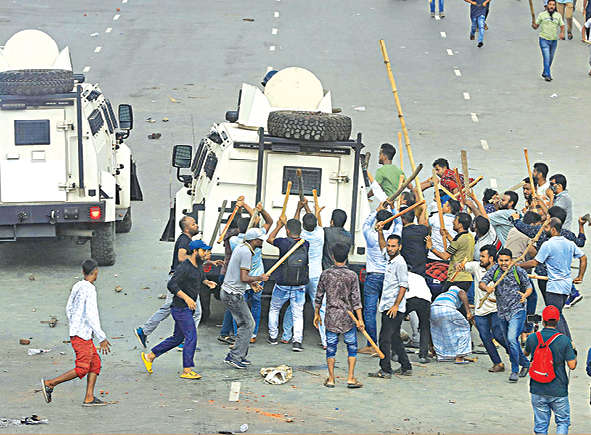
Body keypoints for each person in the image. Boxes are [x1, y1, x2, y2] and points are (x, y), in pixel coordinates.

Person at [135, 216, 215, 349]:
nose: (196, 225)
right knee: (191, 311)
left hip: (181, 280)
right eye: (193, 224)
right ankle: (185, 340)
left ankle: (146, 331)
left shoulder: (187, 240)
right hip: (180, 280)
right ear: (186, 228)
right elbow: (182, 257)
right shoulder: (184, 240)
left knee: (177, 309)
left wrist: (207, 260)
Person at [141, 240, 217, 379]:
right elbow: (172, 285)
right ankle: (187, 370)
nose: (205, 253)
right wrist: (187, 298)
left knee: (177, 338)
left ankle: (150, 356)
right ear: (195, 251)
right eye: (203, 250)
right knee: (191, 336)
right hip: (180, 309)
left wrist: (207, 282)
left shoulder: (198, 265)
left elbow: (200, 277)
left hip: (187, 309)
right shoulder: (184, 267)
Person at [41, 259, 112, 406]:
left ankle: (89, 397)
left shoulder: (77, 285)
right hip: (82, 335)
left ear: (83, 272)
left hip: (76, 332)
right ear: (96, 272)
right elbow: (92, 315)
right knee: (82, 368)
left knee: (95, 363)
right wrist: (102, 337)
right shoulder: (90, 289)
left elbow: (69, 308)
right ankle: (51, 383)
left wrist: (74, 324)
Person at [520, 218, 587, 339]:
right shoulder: (569, 243)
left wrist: (517, 266)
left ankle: (566, 342)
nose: (543, 229)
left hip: (555, 286)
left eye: (546, 227)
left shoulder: (548, 244)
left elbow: (535, 263)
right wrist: (580, 276)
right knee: (558, 314)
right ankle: (568, 342)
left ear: (553, 229)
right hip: (566, 286)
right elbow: (583, 258)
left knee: (555, 315)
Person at [314, 243, 364, 388]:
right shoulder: (352, 275)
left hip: (331, 316)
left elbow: (319, 296)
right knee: (352, 347)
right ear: (347, 256)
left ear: (332, 256)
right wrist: (360, 319)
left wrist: (316, 313)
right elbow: (356, 300)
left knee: (331, 348)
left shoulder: (326, 274)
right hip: (348, 317)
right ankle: (350, 377)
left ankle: (331, 379)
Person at [480, 248, 533, 382]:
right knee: (509, 342)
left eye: (506, 260)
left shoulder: (518, 271)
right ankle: (526, 364)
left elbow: (529, 287)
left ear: (511, 260)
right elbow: (482, 282)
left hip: (517, 309)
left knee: (512, 339)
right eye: (501, 260)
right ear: (497, 260)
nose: (504, 263)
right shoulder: (495, 270)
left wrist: (525, 295)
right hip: (502, 311)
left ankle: (514, 370)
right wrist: (487, 288)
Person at [524, 306, 577, 435]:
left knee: (541, 425)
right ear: (557, 321)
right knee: (562, 422)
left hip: (537, 388)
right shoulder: (564, 340)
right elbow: (572, 365)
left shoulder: (533, 338)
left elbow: (525, 354)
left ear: (543, 321)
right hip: (558, 389)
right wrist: (573, 351)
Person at [222, 228, 269, 368]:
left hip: (230, 292)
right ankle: (235, 356)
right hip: (233, 294)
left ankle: (238, 355)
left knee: (245, 324)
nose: (262, 242)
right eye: (260, 240)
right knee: (249, 324)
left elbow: (239, 275)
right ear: (254, 240)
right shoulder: (246, 252)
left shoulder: (241, 247)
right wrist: (260, 278)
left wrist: (252, 283)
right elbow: (244, 277)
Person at [282, 200, 326, 348]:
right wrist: (307, 207)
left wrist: (298, 208)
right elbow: (312, 221)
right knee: (319, 306)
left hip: (301, 275)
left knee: (295, 306)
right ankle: (325, 340)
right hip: (316, 275)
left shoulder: (301, 236)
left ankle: (286, 335)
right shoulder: (320, 233)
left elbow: (294, 225)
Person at [368, 233, 412, 378]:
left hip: (393, 308)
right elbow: (382, 246)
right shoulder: (389, 258)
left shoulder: (400, 263)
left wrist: (395, 305)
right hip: (387, 305)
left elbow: (403, 285)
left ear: (400, 247)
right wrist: (380, 232)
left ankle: (385, 369)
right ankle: (406, 366)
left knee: (384, 339)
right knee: (395, 338)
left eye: (393, 246)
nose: (390, 248)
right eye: (389, 246)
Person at [229, 203, 273, 344]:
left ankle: (239, 333)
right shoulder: (257, 241)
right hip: (257, 278)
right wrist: (260, 209)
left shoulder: (234, 241)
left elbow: (255, 221)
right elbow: (269, 222)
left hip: (242, 279)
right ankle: (252, 334)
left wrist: (246, 207)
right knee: (256, 305)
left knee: (239, 308)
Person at [360, 201, 400, 353]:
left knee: (370, 312)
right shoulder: (394, 239)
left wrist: (376, 211)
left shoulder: (371, 236)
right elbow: (399, 223)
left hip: (373, 276)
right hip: (389, 277)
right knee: (389, 311)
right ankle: (388, 344)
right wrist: (393, 209)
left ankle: (372, 345)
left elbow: (365, 224)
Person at [462, 245, 509, 372]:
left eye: (483, 256)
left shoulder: (500, 271)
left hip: (495, 309)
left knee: (498, 335)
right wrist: (459, 265)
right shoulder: (476, 266)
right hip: (480, 310)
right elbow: (463, 265)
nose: (481, 259)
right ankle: (497, 363)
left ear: (491, 258)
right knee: (484, 336)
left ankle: (514, 353)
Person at [266, 217, 310, 351]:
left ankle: (273, 337)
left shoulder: (283, 242)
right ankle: (297, 342)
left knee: (275, 309)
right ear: (300, 230)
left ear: (287, 230)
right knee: (298, 314)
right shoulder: (305, 244)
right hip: (299, 284)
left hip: (282, 283)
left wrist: (279, 225)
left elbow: (269, 239)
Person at [426, 212, 475, 292]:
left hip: (456, 278)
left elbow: (445, 256)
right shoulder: (469, 236)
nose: (453, 222)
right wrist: (447, 235)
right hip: (467, 277)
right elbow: (458, 245)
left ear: (460, 225)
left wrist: (431, 247)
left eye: (455, 220)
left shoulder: (458, 239)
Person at [430, 286, 473, 362]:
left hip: (433, 310)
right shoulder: (455, 290)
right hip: (447, 308)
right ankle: (460, 357)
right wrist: (468, 312)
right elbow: (462, 292)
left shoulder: (443, 294)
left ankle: (443, 356)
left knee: (439, 333)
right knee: (465, 328)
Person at [532, 0, 565, 81]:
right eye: (550, 4)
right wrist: (533, 25)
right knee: (546, 57)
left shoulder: (558, 15)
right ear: (547, 5)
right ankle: (548, 75)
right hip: (544, 39)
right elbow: (536, 26)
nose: (551, 6)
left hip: (554, 40)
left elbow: (562, 25)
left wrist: (562, 33)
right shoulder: (542, 15)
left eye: (553, 5)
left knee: (550, 58)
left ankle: (545, 72)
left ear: (555, 6)